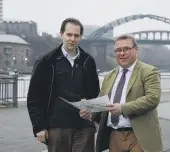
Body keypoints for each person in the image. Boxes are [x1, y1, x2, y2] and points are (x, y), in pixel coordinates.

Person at [27, 18, 100, 152]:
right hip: (56, 127)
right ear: (61, 34)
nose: (72, 39)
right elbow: (33, 97)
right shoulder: (46, 61)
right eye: (69, 34)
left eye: (76, 35)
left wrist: (93, 115)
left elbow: (95, 93)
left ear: (81, 37)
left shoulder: (88, 61)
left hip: (84, 127)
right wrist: (39, 127)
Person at [81, 34, 163, 152]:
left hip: (139, 136)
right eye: (118, 50)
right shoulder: (109, 75)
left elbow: (152, 98)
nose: (122, 53)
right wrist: (91, 112)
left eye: (126, 49)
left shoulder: (149, 71)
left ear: (136, 50)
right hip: (115, 136)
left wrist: (123, 108)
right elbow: (102, 101)